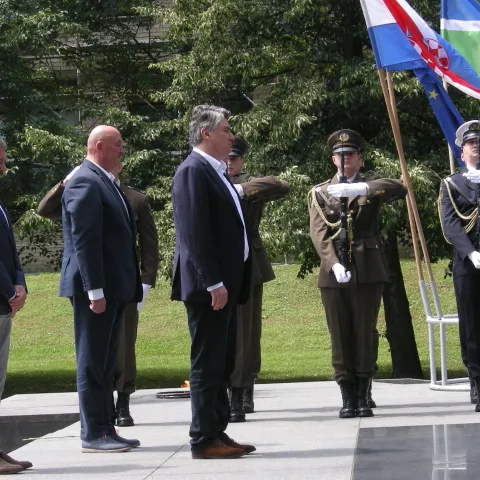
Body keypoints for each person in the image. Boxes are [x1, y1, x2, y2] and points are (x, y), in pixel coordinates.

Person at [37, 164, 159, 427]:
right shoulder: (83, 187)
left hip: (125, 284)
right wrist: (65, 180)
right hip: (96, 283)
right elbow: (45, 209)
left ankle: (123, 401)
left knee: (123, 346)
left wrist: (146, 283)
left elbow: (149, 244)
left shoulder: (134, 198)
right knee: (96, 352)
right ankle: (98, 421)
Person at [171, 105, 255, 459]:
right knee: (207, 363)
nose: (231, 135)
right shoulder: (192, 171)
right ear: (206, 134)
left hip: (224, 285)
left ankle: (217, 431)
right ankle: (203, 439)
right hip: (210, 288)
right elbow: (195, 232)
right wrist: (213, 282)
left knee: (221, 362)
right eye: (226, 129)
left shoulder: (216, 171)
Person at [308, 129, 407, 419]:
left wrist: (362, 190)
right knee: (339, 333)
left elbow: (398, 188)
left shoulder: (370, 186)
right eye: (339, 155)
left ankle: (364, 392)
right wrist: (333, 263)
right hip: (334, 271)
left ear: (359, 159)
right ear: (332, 159)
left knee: (365, 331)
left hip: (366, 267)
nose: (344, 159)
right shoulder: (320, 192)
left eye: (350, 154)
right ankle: (347, 394)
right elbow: (319, 233)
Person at [59, 125, 142, 452]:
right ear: (99, 146)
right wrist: (95, 290)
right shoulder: (84, 180)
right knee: (93, 362)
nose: (122, 150)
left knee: (107, 362)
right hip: (94, 289)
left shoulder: (103, 181)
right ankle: (93, 433)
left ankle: (106, 429)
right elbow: (85, 240)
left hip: (112, 288)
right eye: (117, 145)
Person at [225, 137, 290, 422]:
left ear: (242, 161)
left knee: (248, 331)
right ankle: (228, 387)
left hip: (249, 263)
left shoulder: (248, 182)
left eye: (234, 158)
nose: (229, 162)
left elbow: (279, 185)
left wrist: (239, 189)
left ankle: (244, 388)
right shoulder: (209, 179)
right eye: (225, 157)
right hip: (218, 264)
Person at [439, 120, 480, 411]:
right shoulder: (451, 184)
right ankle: (477, 381)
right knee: (472, 324)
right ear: (461, 150)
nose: (476, 146)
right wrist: (470, 253)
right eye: (471, 143)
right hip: (469, 265)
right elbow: (451, 225)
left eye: (479, 142)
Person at [0, 137, 32, 474]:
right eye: (0, 159)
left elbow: (11, 253)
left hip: (4, 302)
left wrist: (20, 284)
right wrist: (10, 290)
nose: (5, 165)